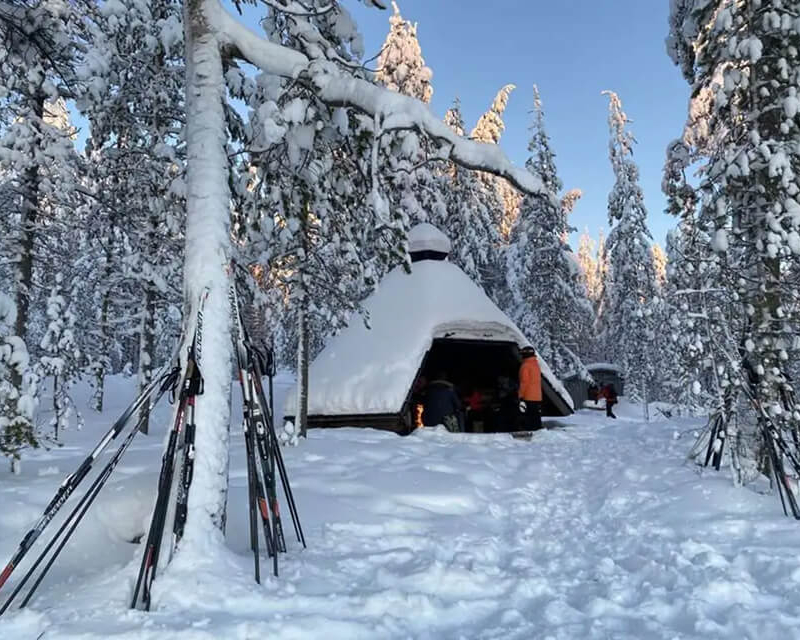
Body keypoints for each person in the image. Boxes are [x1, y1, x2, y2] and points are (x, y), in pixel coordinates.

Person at [518, 346, 542, 431]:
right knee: (536, 416)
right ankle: (538, 431)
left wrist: (520, 395)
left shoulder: (525, 366)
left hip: (528, 395)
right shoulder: (536, 365)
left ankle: (529, 430)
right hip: (537, 395)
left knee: (528, 416)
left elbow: (524, 382)